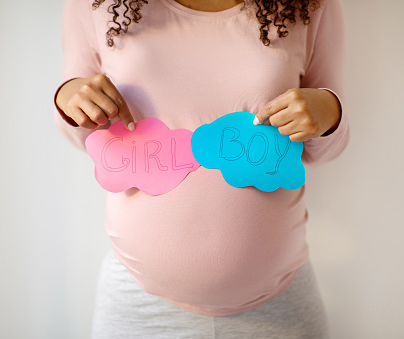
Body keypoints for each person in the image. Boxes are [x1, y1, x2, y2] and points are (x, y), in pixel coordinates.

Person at [54, 0, 349, 337]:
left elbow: (327, 147)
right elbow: (78, 132)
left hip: (279, 307)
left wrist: (328, 113)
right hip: (140, 307)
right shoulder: (95, 4)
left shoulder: (311, 5)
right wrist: (70, 100)